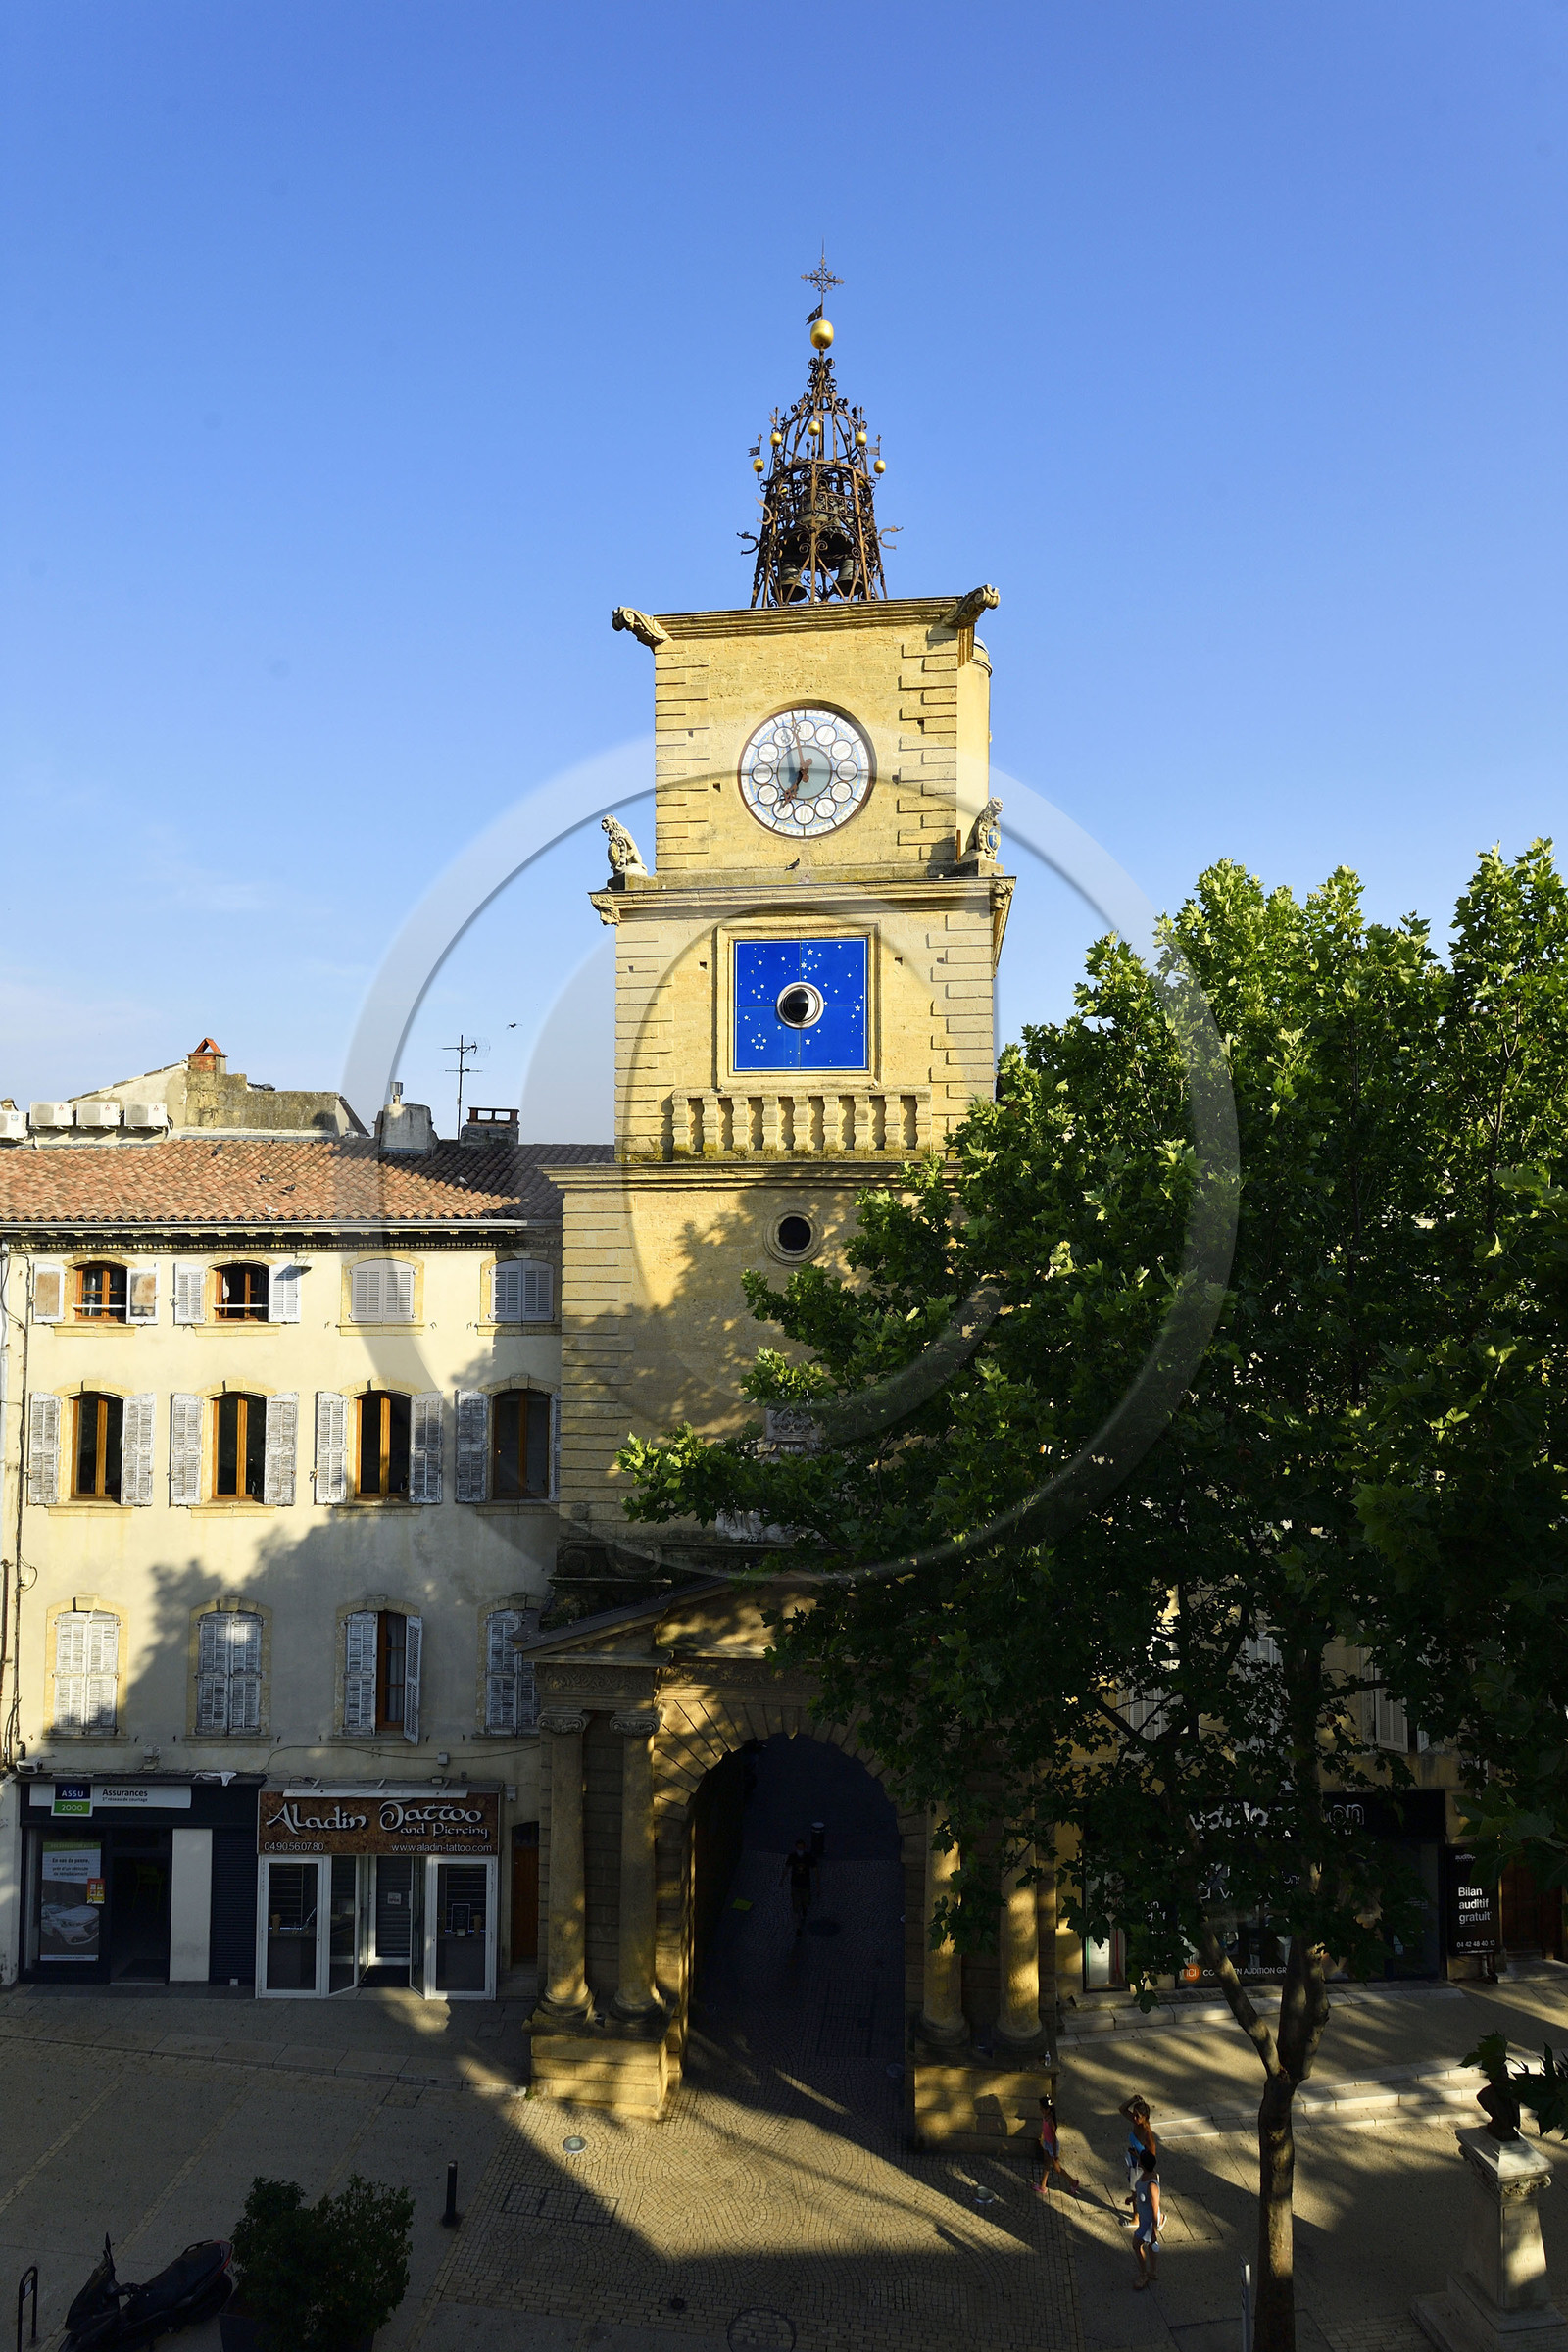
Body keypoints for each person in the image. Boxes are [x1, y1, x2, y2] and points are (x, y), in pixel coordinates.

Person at [1030, 2095, 1081, 2198]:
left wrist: (1054, 2153)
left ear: (1047, 2109)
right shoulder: (1045, 2116)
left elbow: (1053, 2139)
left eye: (1041, 2108)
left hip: (1051, 2146)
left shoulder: (1051, 2121)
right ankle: (1042, 2186)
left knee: (1057, 2168)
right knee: (1046, 2164)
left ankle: (1073, 2182)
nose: (1040, 2109)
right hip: (1046, 2143)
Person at [1118, 2095, 1156, 2213]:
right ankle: (1157, 2218)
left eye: (1137, 2116)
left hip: (1140, 2167)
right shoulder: (1137, 2123)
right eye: (1134, 2114)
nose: (1134, 2118)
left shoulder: (1147, 2135)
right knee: (1135, 2191)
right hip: (1133, 2162)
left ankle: (1136, 2218)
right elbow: (1122, 2109)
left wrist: (1138, 2156)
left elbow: (1152, 2158)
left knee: (1135, 2191)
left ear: (1144, 2117)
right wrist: (1133, 2100)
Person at [1130, 2146, 1161, 2287]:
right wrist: (1132, 2198)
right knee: (1150, 2246)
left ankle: (1143, 2275)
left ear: (1143, 2164)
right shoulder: (1148, 2173)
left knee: (1136, 2245)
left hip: (1148, 2223)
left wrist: (1154, 2231)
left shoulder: (1152, 2186)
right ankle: (1153, 2271)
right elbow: (1140, 2189)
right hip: (1144, 2218)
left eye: (1140, 2160)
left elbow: (1155, 2209)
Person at [782, 1838, 815, 1932]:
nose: (799, 1850)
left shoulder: (808, 1857)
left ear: (804, 1848)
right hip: (795, 1885)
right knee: (796, 1907)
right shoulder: (792, 1856)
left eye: (801, 1848)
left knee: (805, 1902)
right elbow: (787, 1867)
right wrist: (782, 1879)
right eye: (798, 1848)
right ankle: (798, 1927)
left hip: (805, 1885)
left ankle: (804, 1909)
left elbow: (815, 1869)